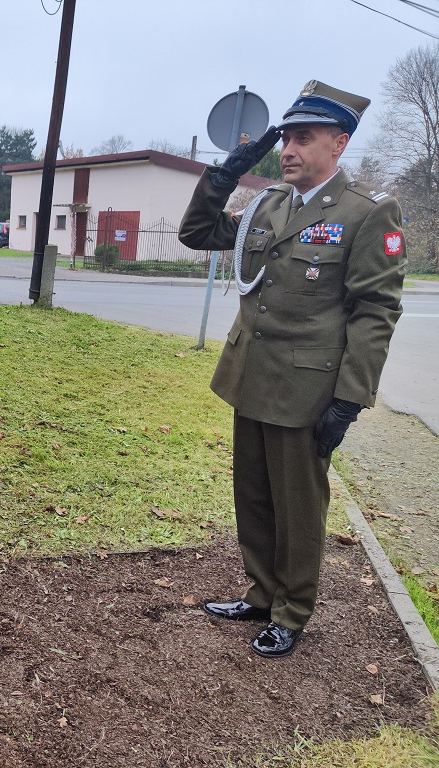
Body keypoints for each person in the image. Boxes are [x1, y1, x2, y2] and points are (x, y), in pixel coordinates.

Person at [178, 81, 406, 658]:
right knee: (252, 494)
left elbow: (375, 310)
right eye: (285, 138)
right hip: (252, 375)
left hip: (307, 389)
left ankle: (292, 610)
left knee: (299, 506)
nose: (289, 149)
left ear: (339, 143)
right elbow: (197, 233)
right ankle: (260, 594)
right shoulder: (269, 204)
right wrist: (226, 173)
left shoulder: (368, 214)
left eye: (304, 138)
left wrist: (350, 399)